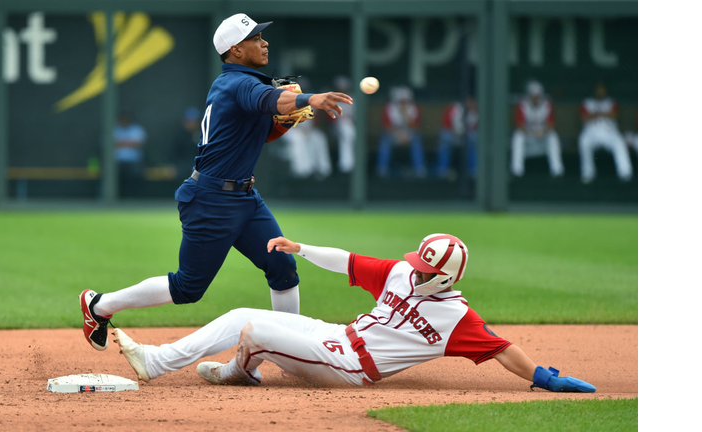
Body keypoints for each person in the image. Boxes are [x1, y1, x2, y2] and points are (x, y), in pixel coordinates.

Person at [79, 13, 353, 351]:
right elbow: (270, 100)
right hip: (211, 199)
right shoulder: (238, 83)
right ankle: (99, 306)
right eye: (255, 38)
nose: (264, 42)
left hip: (245, 198)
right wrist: (309, 98)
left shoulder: (242, 83)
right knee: (187, 288)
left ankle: (290, 347)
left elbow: (262, 133)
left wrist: (284, 123)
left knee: (282, 264)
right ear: (236, 51)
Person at [111, 233, 596, 394]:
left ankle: (241, 370)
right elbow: (345, 260)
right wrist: (299, 247)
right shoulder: (403, 274)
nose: (414, 269)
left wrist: (547, 379)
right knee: (242, 311)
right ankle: (158, 362)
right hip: (337, 336)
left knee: (255, 330)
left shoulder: (456, 318)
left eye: (426, 267)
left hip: (349, 369)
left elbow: (502, 349)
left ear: (445, 277)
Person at [578, 82, 633, 184]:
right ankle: (588, 173)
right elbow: (583, 118)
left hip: (609, 131)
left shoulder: (611, 102)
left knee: (619, 143)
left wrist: (600, 113)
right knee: (583, 141)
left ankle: (625, 173)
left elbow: (615, 115)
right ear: (595, 91)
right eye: (598, 90)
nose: (600, 92)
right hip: (591, 131)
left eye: (602, 90)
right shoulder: (587, 102)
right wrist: (597, 114)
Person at [279, 79, 332, 179]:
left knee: (319, 137)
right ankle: (301, 171)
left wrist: (309, 130)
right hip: (288, 131)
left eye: (304, 89)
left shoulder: (310, 102)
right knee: (298, 139)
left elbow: (316, 121)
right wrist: (299, 130)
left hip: (307, 131)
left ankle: (323, 170)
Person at [510, 81, 564, 178]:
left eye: (537, 95)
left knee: (553, 136)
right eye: (533, 95)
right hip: (528, 136)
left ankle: (557, 169)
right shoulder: (522, 104)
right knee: (518, 136)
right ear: (529, 95)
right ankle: (517, 170)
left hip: (542, 135)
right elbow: (519, 124)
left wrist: (543, 131)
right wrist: (531, 132)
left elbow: (551, 124)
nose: (535, 98)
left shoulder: (547, 104)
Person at [376, 86, 427, 178]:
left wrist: (405, 115)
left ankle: (419, 169)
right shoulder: (389, 107)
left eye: (405, 101)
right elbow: (386, 126)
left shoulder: (414, 108)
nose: (403, 103)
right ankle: (382, 169)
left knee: (417, 140)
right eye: (401, 101)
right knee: (384, 140)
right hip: (393, 134)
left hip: (409, 133)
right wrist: (399, 134)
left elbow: (416, 126)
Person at [436, 95, 478, 180]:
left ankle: (474, 171)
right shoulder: (454, 108)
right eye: (469, 100)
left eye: (472, 101)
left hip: (468, 137)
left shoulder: (476, 110)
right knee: (444, 138)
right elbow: (445, 123)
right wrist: (454, 130)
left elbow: (477, 127)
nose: (470, 103)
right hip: (453, 136)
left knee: (474, 139)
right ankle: (442, 171)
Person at [113, 110, 147, 197]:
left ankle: (133, 198)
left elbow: (137, 144)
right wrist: (129, 143)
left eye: (126, 118)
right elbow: (109, 143)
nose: (124, 120)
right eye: (122, 118)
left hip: (134, 162)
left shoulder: (137, 129)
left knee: (135, 175)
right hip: (116, 162)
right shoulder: (114, 129)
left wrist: (120, 143)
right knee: (112, 174)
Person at [330, 75, 357, 174]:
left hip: (352, 128)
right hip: (336, 129)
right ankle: (347, 165)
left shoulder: (353, 99)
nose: (343, 91)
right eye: (340, 89)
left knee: (349, 132)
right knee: (346, 131)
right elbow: (331, 119)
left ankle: (348, 164)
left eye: (344, 89)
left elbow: (358, 118)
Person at [169, 107, 202, 180]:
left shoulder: (202, 135)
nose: (192, 123)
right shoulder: (178, 135)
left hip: (198, 169)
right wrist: (173, 167)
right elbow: (173, 153)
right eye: (189, 121)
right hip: (181, 168)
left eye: (194, 121)